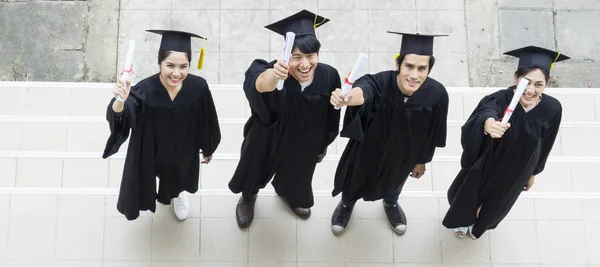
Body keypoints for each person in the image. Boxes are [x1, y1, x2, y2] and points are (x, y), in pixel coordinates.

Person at [442, 46, 570, 239]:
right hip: (488, 163)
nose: (530, 90)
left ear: (546, 84)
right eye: (525, 82)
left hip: (518, 170)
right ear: (515, 78)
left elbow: (546, 144)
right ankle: (463, 220)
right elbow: (485, 113)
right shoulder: (500, 98)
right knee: (471, 195)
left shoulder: (552, 108)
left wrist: (533, 172)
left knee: (498, 203)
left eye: (538, 84)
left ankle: (479, 226)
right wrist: (488, 124)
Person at [228, 10, 341, 228]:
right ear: (286, 54)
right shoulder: (270, 70)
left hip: (305, 140)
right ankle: (249, 197)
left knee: (299, 173)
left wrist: (324, 143)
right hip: (268, 137)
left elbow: (331, 114)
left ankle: (289, 193)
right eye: (296, 57)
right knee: (256, 168)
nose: (305, 64)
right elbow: (259, 84)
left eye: (311, 56)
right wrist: (274, 74)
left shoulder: (329, 75)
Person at [330, 32, 449, 235]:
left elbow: (433, 132)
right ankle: (346, 204)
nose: (414, 75)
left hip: (405, 154)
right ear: (398, 65)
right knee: (355, 179)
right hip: (368, 149)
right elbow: (364, 91)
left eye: (422, 69)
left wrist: (422, 161)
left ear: (429, 70)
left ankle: (391, 204)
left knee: (396, 181)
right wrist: (348, 98)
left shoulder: (437, 95)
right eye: (409, 66)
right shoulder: (380, 82)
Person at [103, 29, 221, 221]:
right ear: (159, 63)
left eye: (183, 66)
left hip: (183, 147)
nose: (176, 73)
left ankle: (177, 193)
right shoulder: (143, 90)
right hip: (151, 148)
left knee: (178, 175)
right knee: (148, 175)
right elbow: (122, 116)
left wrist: (208, 147)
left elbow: (207, 119)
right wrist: (120, 100)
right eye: (170, 66)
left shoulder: (199, 88)